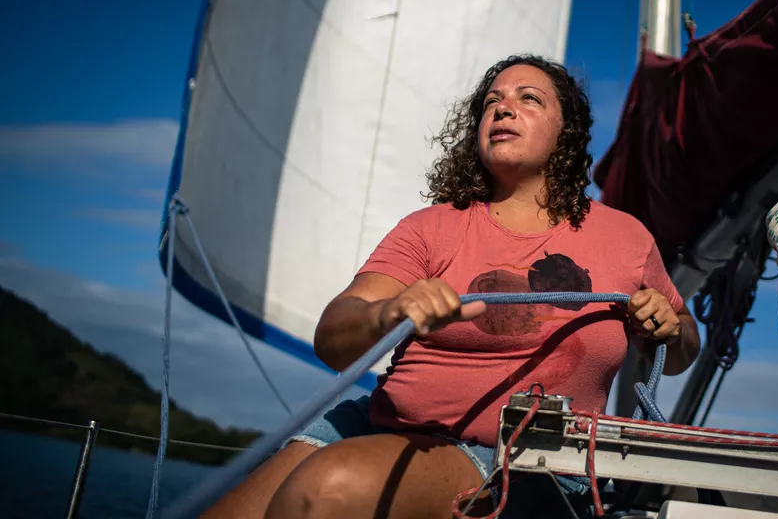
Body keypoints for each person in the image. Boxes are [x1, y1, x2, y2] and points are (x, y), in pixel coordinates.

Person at [203, 54, 700, 519]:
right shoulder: (431, 227)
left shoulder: (625, 237)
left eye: (529, 98)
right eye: (491, 102)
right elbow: (333, 339)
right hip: (376, 425)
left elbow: (680, 349)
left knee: (329, 489)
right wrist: (390, 312)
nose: (503, 108)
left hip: (525, 462)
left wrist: (669, 328)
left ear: (566, 130)